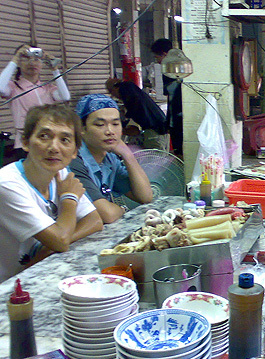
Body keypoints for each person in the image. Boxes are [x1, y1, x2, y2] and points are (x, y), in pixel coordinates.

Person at [0, 104, 103, 282]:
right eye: (44, 136)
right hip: (10, 289)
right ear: (25, 142)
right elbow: (61, 241)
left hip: (41, 274)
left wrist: (49, 249)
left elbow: (94, 221)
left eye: (65, 140)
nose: (54, 147)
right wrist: (69, 199)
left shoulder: (59, 173)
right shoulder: (6, 183)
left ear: (75, 152)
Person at [69, 94, 153, 224]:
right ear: (81, 129)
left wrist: (128, 155)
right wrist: (122, 209)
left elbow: (145, 196)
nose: (110, 131)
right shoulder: (73, 160)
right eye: (100, 125)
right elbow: (106, 214)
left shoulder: (109, 159)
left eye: (115, 124)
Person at [0, 44, 71, 160]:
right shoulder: (14, 87)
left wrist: (55, 69)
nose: (32, 63)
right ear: (19, 64)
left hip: (49, 143)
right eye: (26, 59)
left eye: (36, 59)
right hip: (25, 145)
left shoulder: (47, 88)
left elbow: (65, 96)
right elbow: (0, 88)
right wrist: (15, 59)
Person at [105, 77, 168, 151]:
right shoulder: (133, 91)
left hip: (154, 132)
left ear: (115, 88)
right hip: (160, 129)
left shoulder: (128, 94)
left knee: (155, 158)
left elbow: (134, 130)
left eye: (111, 92)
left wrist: (119, 130)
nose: (113, 96)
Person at [151, 38, 183, 157]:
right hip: (179, 117)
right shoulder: (181, 67)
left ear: (164, 54)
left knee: (179, 151)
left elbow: (171, 98)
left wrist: (170, 121)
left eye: (157, 57)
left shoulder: (169, 70)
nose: (158, 61)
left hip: (178, 118)